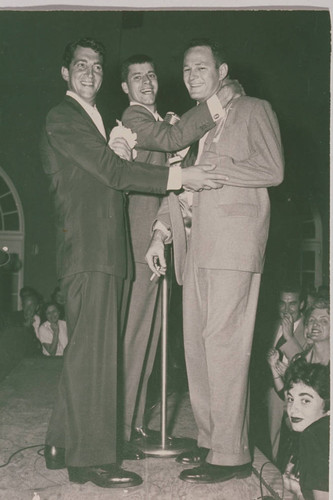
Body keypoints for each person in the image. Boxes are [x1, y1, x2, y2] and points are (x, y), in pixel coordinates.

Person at [39, 37, 227, 489]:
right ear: (65, 74)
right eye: (81, 66)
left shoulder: (97, 117)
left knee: (89, 352)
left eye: (97, 67)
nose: (90, 74)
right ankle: (89, 461)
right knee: (94, 358)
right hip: (90, 248)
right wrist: (181, 176)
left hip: (104, 248)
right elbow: (114, 172)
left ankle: (61, 443)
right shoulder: (63, 117)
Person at [146, 38, 284, 483]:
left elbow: (272, 169)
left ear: (222, 71)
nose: (191, 76)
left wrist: (211, 175)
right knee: (199, 349)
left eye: (200, 68)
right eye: (186, 70)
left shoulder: (253, 108)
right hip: (197, 247)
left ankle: (232, 456)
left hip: (234, 245)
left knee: (225, 349)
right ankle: (211, 443)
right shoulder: (198, 124)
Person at [118, 53, 243, 452]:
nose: (147, 82)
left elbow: (174, 144)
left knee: (151, 334)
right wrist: (219, 100)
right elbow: (174, 142)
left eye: (152, 74)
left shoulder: (162, 121)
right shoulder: (134, 120)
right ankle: (118, 431)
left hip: (161, 235)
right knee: (135, 334)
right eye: (136, 77)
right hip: (139, 238)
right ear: (126, 88)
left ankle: (135, 423)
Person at [266, 284, 308, 462]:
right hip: (271, 392)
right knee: (270, 441)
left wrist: (289, 335)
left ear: (302, 304)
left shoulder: (310, 328)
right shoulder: (271, 323)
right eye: (282, 303)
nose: (286, 309)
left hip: (294, 395)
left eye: (292, 304)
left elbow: (306, 363)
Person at [283, 356, 329, 500]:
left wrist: (298, 492)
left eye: (305, 401)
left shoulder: (313, 436)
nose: (293, 410)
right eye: (291, 399)